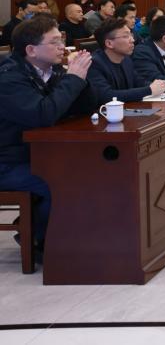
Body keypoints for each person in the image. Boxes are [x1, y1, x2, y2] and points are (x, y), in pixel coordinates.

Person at [0, 15, 95, 259]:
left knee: (94, 169)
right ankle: (43, 241)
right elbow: (43, 115)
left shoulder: (49, 71)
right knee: (62, 181)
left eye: (61, 39)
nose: (63, 46)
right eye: (54, 42)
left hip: (36, 154)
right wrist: (73, 79)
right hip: (7, 161)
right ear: (31, 50)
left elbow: (85, 107)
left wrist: (80, 77)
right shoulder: (9, 79)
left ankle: (38, 228)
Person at [87, 18, 165, 104]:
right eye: (126, 36)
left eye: (131, 35)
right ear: (109, 43)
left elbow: (138, 81)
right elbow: (106, 96)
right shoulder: (93, 64)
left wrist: (156, 85)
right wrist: (149, 90)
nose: (132, 40)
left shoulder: (126, 59)